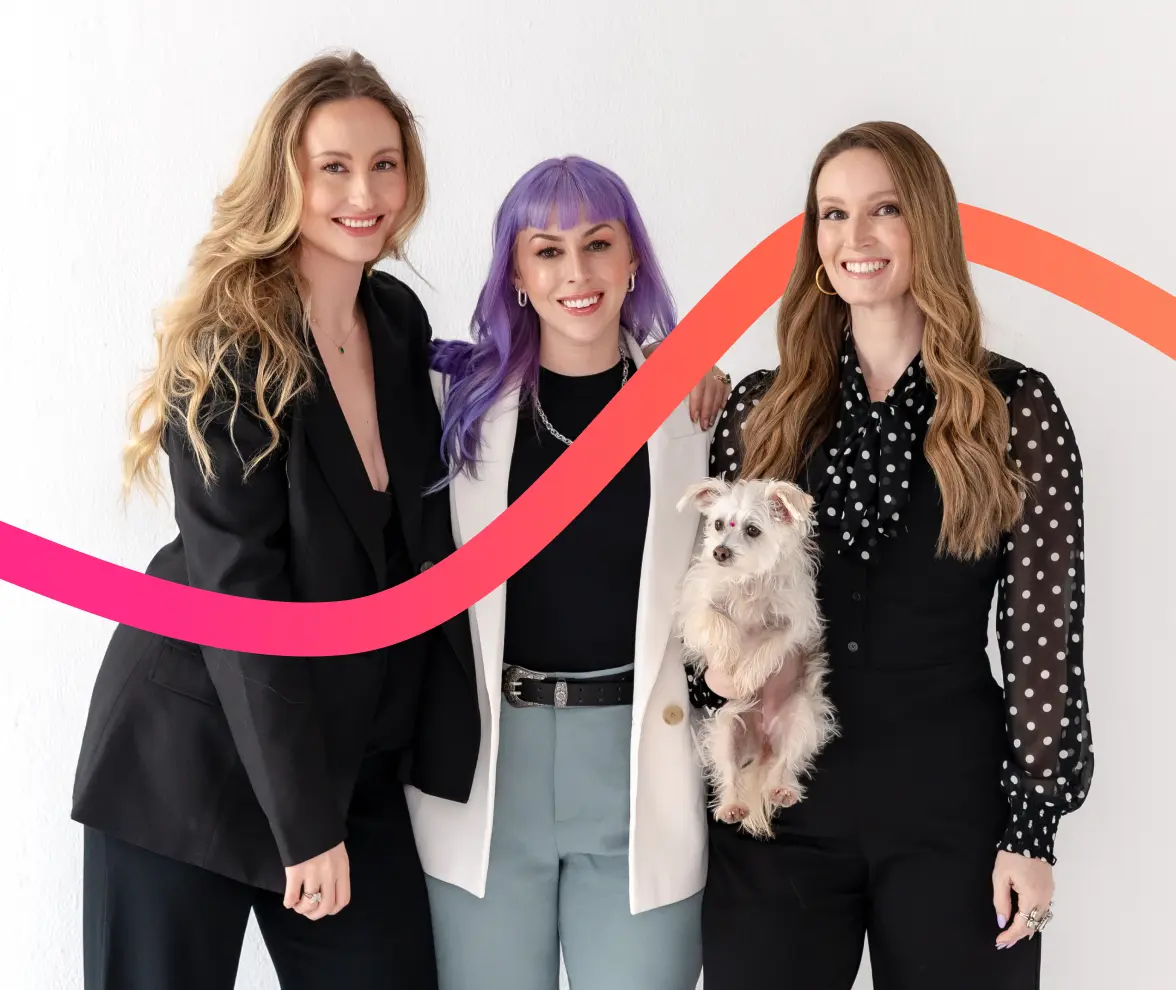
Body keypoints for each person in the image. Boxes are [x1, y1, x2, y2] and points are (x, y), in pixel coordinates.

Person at [70, 51, 480, 990]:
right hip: (194, 761)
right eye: (332, 166)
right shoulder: (232, 349)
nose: (364, 191)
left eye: (385, 163)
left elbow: (480, 393)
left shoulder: (395, 318)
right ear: (284, 176)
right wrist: (306, 831)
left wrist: (650, 371)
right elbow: (237, 600)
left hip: (346, 762)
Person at [689, 121, 1093, 989]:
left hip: (952, 812)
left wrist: (1031, 834)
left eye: (884, 210)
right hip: (779, 806)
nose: (854, 238)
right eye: (832, 215)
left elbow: (1044, 643)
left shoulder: (1014, 409)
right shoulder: (762, 410)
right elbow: (712, 600)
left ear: (931, 226)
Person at [407, 155, 730, 990]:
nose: (576, 273)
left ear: (633, 264)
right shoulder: (457, 406)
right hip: (488, 769)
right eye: (546, 250)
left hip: (637, 766)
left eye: (598, 244)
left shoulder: (696, 412)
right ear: (515, 273)